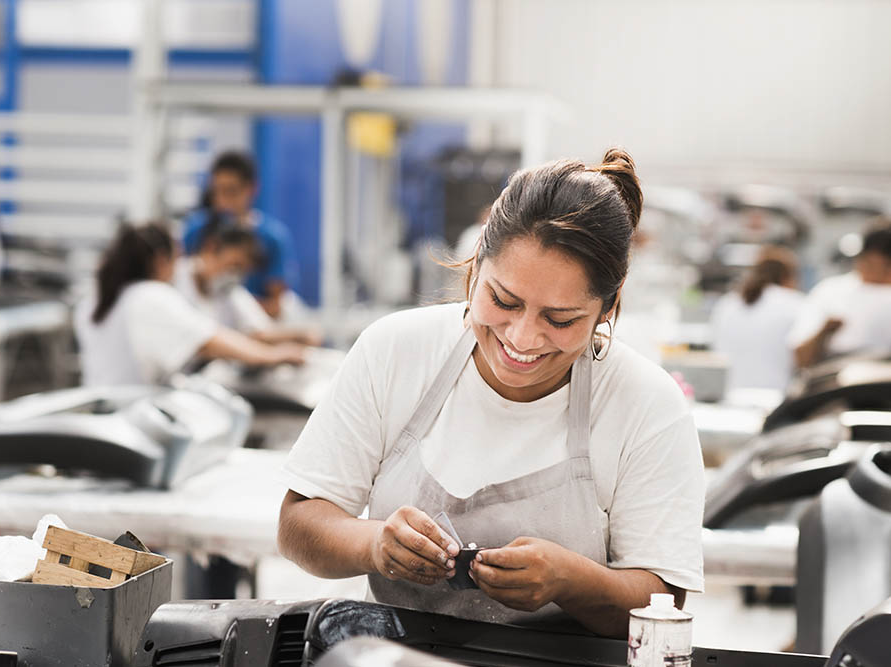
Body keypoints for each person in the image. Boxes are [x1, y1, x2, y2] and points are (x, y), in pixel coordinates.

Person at [277, 149, 704, 637]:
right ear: (477, 262)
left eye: (560, 319)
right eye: (503, 300)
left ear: (609, 304)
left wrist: (570, 580)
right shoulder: (395, 350)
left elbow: (664, 601)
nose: (522, 338)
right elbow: (299, 523)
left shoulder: (646, 405)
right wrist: (375, 545)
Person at [74, 222, 306, 387]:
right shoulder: (151, 295)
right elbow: (208, 340)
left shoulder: (96, 299)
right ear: (160, 260)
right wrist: (273, 356)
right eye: (176, 258)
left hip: (101, 403)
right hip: (131, 413)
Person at [789, 220, 891, 368]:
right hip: (835, 388)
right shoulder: (830, 291)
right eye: (868, 263)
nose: (875, 273)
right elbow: (800, 356)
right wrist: (825, 332)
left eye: (887, 267)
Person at [183, 151, 300, 320]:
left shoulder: (273, 237)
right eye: (216, 192)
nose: (222, 201)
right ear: (210, 247)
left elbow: (276, 306)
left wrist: (234, 306)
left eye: (231, 191)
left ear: (252, 188)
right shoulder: (195, 230)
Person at [173, 215, 321, 346]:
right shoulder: (174, 278)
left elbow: (259, 331)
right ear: (211, 248)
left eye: (241, 270)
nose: (234, 274)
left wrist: (302, 335)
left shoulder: (229, 291)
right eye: (234, 265)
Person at [710, 246, 804, 391]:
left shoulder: (727, 303)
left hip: (729, 393)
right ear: (788, 277)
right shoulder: (796, 303)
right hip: (777, 396)